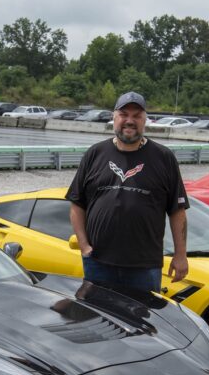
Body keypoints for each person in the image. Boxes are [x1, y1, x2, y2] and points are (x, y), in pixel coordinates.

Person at [66, 91, 189, 293]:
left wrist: (180, 255)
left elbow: (177, 210)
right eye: (124, 114)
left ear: (145, 120)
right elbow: (77, 203)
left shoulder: (164, 158)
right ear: (113, 117)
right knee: (98, 321)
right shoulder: (95, 153)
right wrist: (84, 245)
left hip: (144, 267)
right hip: (98, 263)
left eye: (137, 116)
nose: (129, 121)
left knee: (142, 322)